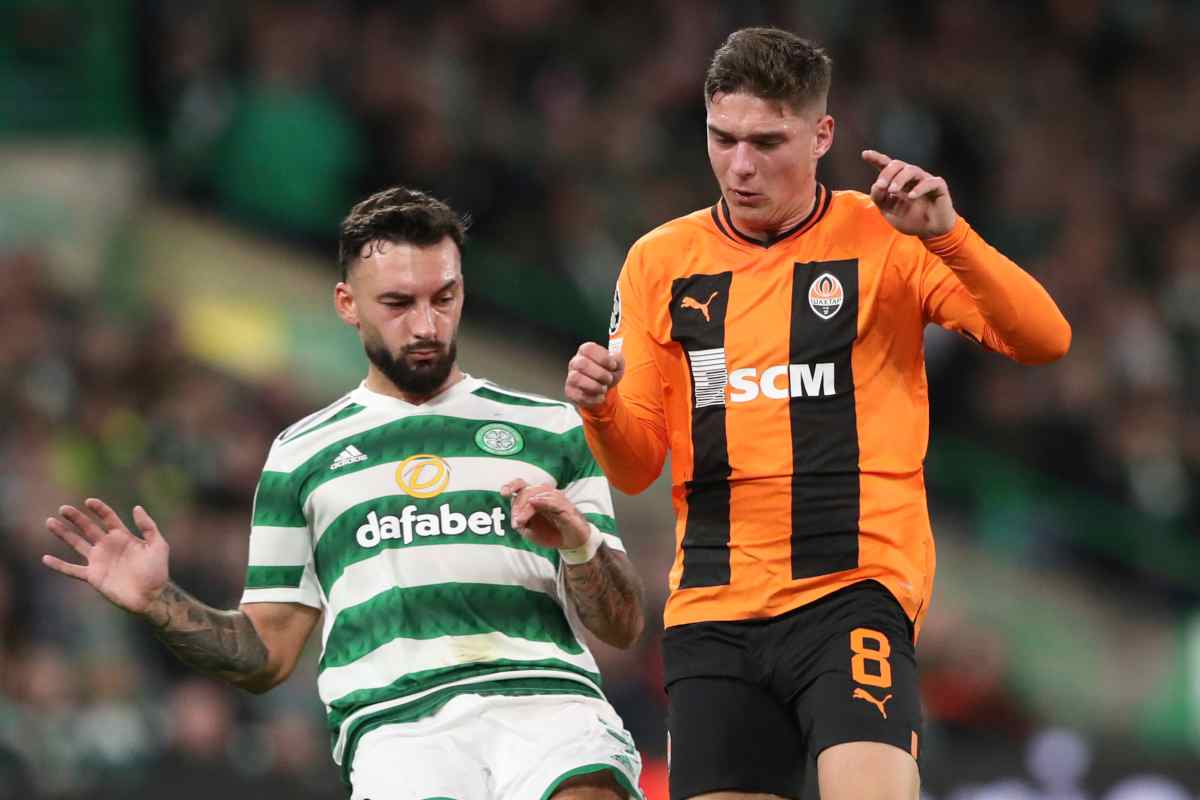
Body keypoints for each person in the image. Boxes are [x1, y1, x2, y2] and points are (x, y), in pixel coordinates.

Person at [564, 27, 1070, 800]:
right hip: (712, 609)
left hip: (853, 591)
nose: (740, 165)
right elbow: (635, 469)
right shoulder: (659, 262)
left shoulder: (889, 235)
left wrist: (949, 236)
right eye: (723, 138)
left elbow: (1043, 340)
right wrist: (600, 409)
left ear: (822, 135)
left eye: (767, 142)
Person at [43, 187, 647, 800]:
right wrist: (158, 600)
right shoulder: (301, 455)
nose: (426, 325)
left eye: (443, 298)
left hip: (547, 701)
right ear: (347, 303)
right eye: (398, 303)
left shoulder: (551, 428)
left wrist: (579, 544)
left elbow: (623, 626)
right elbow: (267, 654)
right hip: (398, 724)